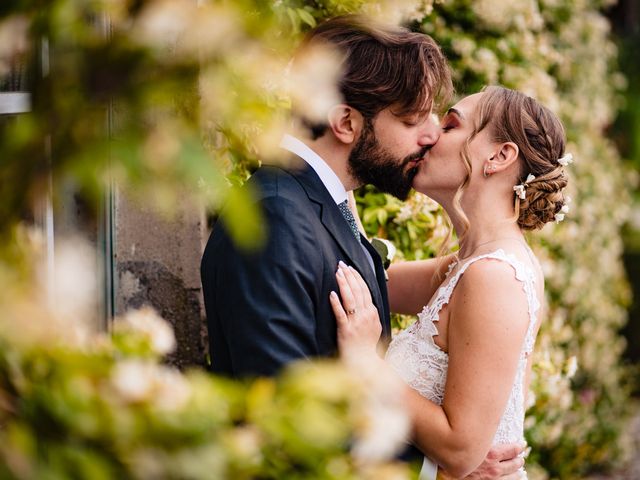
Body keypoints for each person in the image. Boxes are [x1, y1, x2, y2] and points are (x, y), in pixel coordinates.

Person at [201, 15, 524, 478]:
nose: (431, 134)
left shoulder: (323, 204)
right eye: (413, 119)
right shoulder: (274, 219)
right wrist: (434, 464)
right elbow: (285, 419)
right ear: (347, 123)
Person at [330, 85, 570, 479]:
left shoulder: (494, 277)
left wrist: (366, 364)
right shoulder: (468, 266)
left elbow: (461, 451)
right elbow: (369, 280)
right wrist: (343, 166)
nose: (430, 137)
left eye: (451, 124)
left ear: (499, 156)